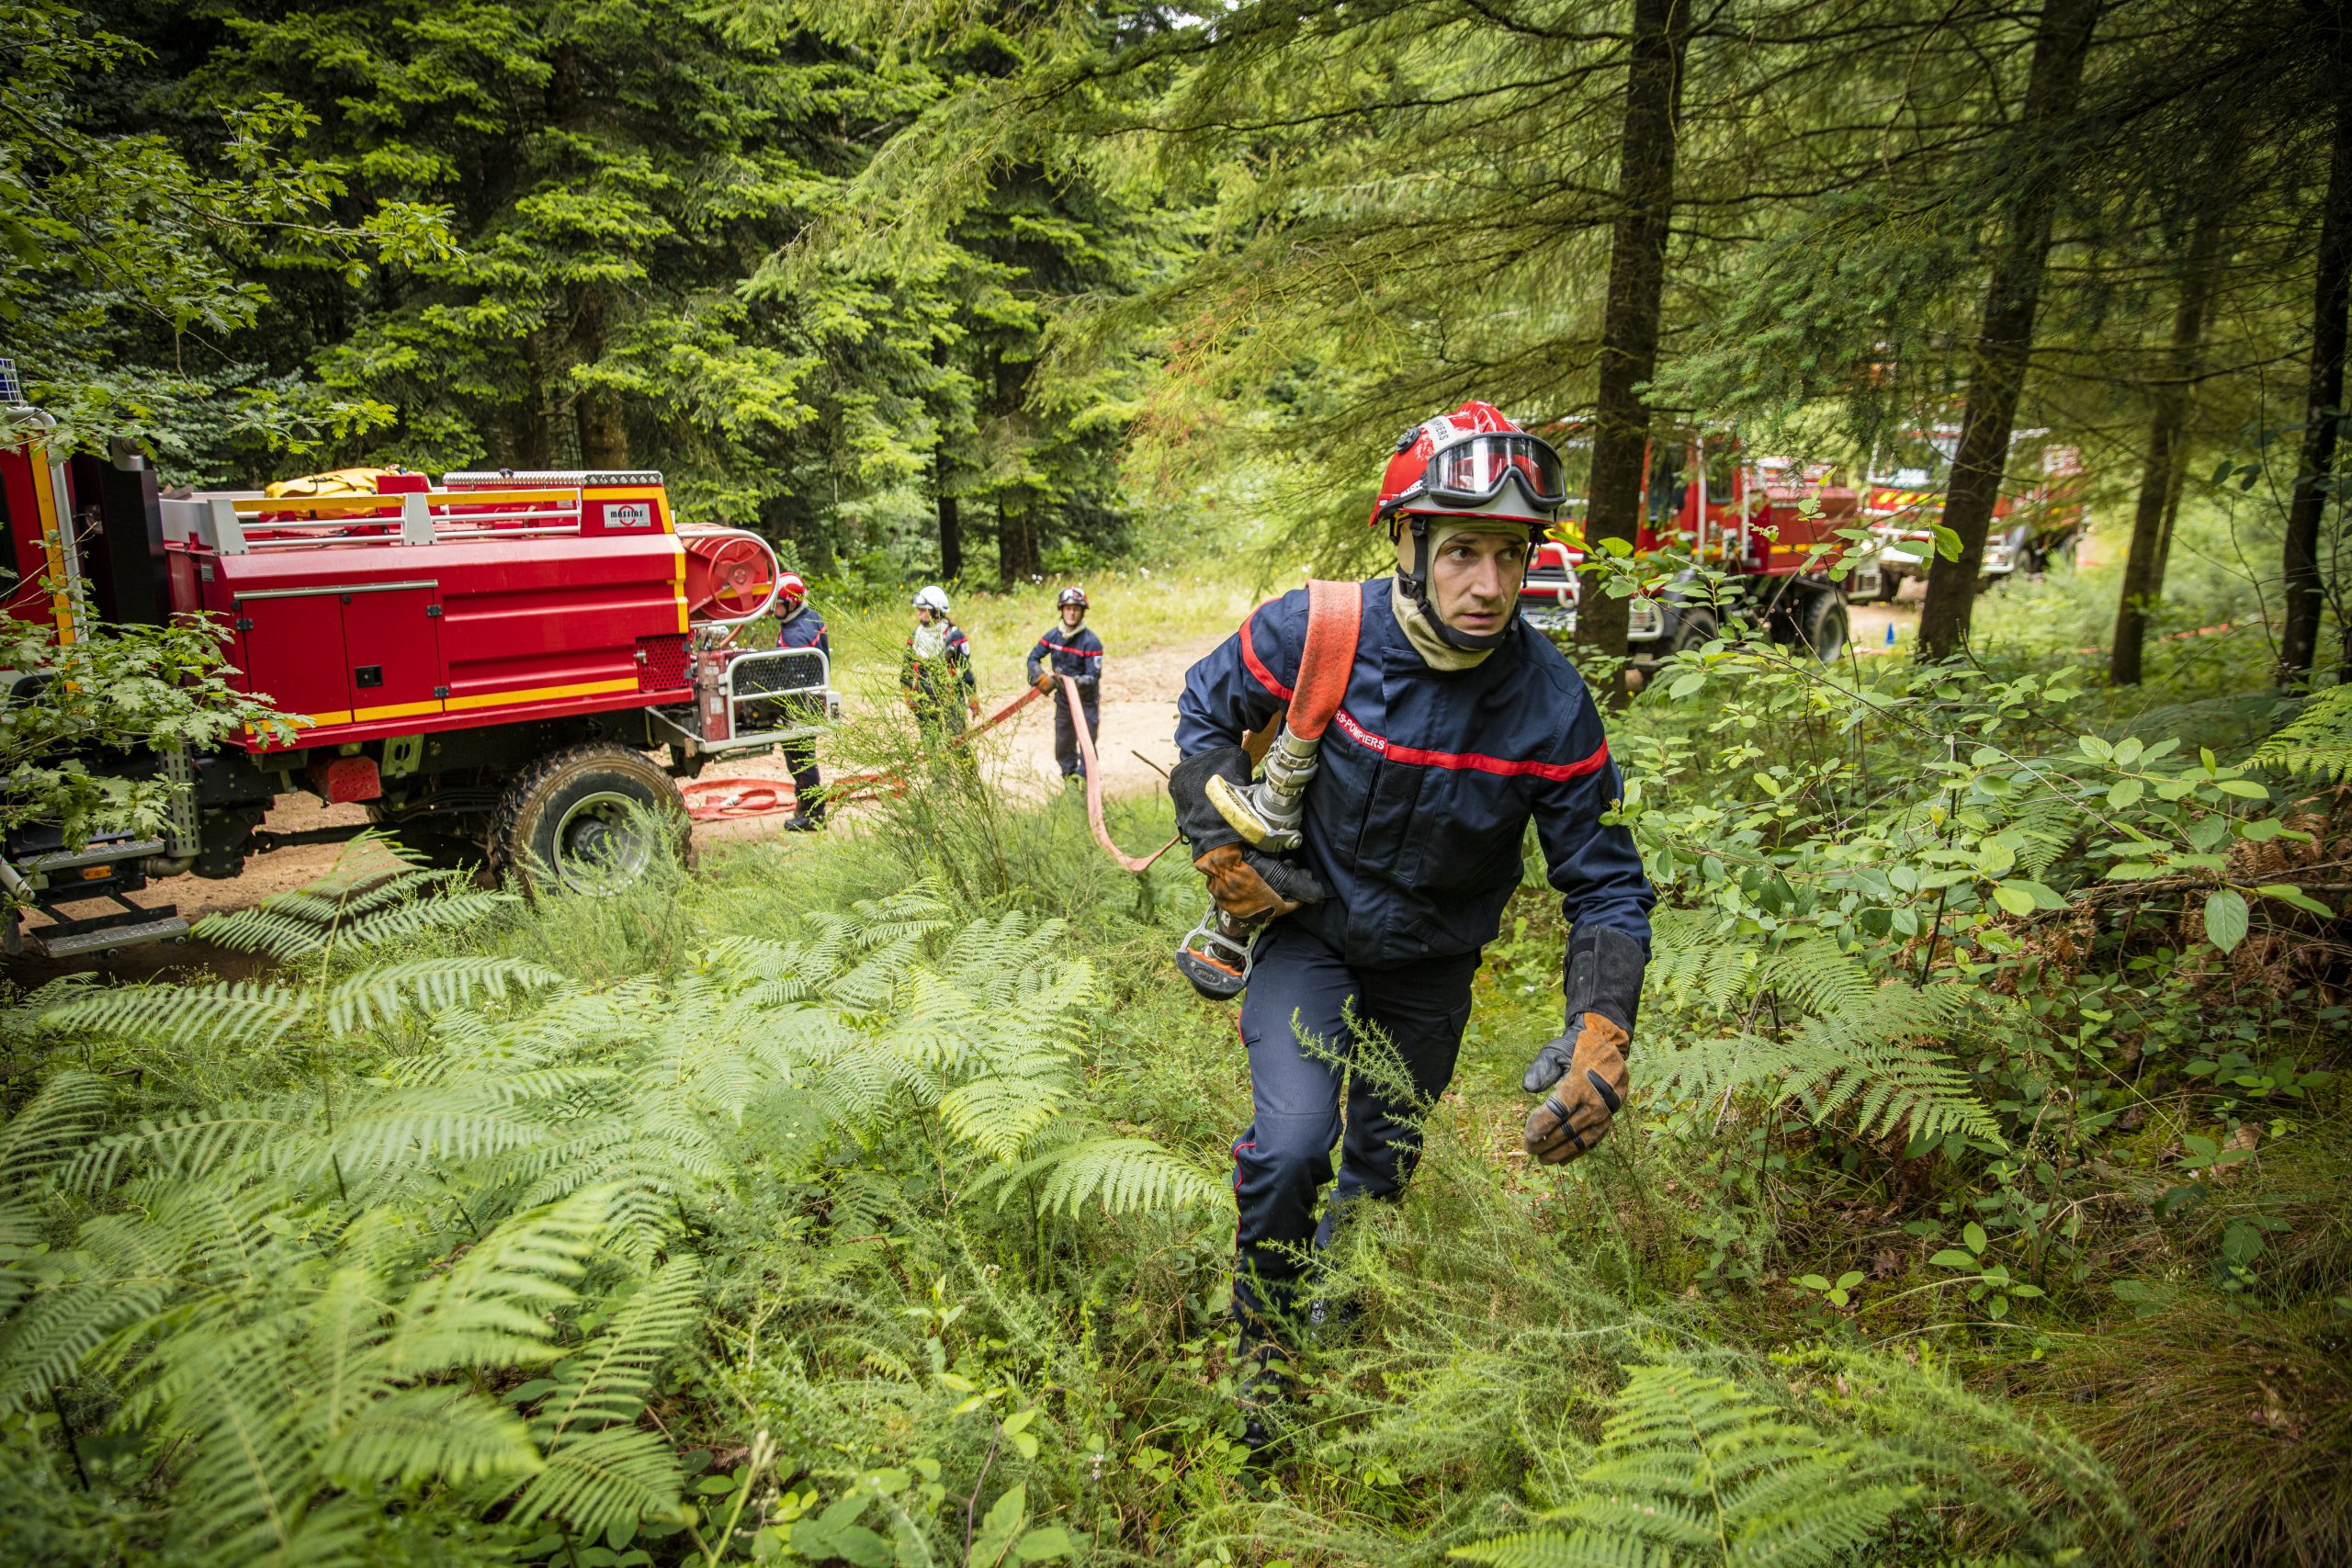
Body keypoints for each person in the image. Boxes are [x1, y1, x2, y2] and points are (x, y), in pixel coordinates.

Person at [1169, 400, 1656, 1450]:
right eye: (1464, 552)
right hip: (1307, 934)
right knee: (1296, 1145)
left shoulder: (1553, 707)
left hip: (1433, 970)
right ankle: (1265, 1355)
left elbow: (1606, 883)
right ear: (1407, 540)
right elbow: (1206, 712)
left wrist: (1602, 1029)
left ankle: (1337, 1322)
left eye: (1511, 556)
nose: (1489, 585)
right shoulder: (1317, 630)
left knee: (1381, 1170)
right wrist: (1217, 844)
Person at [771, 571, 831, 832]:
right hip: (810, 698)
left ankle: (813, 814)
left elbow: (790, 674)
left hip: (801, 703)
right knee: (800, 755)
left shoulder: (797, 634)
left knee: (800, 757)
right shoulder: (810, 618)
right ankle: (805, 806)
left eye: (779, 604)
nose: (775, 610)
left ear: (792, 604)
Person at [1026, 586, 1104, 782]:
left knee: (1087, 744)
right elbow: (1033, 658)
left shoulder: (1091, 642)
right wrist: (1040, 677)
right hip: (1063, 702)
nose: (1072, 612)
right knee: (1063, 743)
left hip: (1085, 702)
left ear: (1082, 611)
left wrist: (1069, 681)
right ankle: (1069, 781)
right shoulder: (1052, 637)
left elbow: (1092, 677)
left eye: (1076, 609)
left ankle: (1086, 781)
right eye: (1068, 608)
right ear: (1061, 610)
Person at [901, 584, 980, 762]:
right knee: (932, 746)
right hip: (924, 698)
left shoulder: (953, 635)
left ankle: (969, 782)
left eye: (923, 609)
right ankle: (940, 786)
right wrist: (909, 696)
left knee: (959, 742)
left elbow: (966, 672)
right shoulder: (915, 636)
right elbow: (905, 671)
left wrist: (973, 699)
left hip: (950, 697)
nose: (919, 613)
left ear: (935, 611)